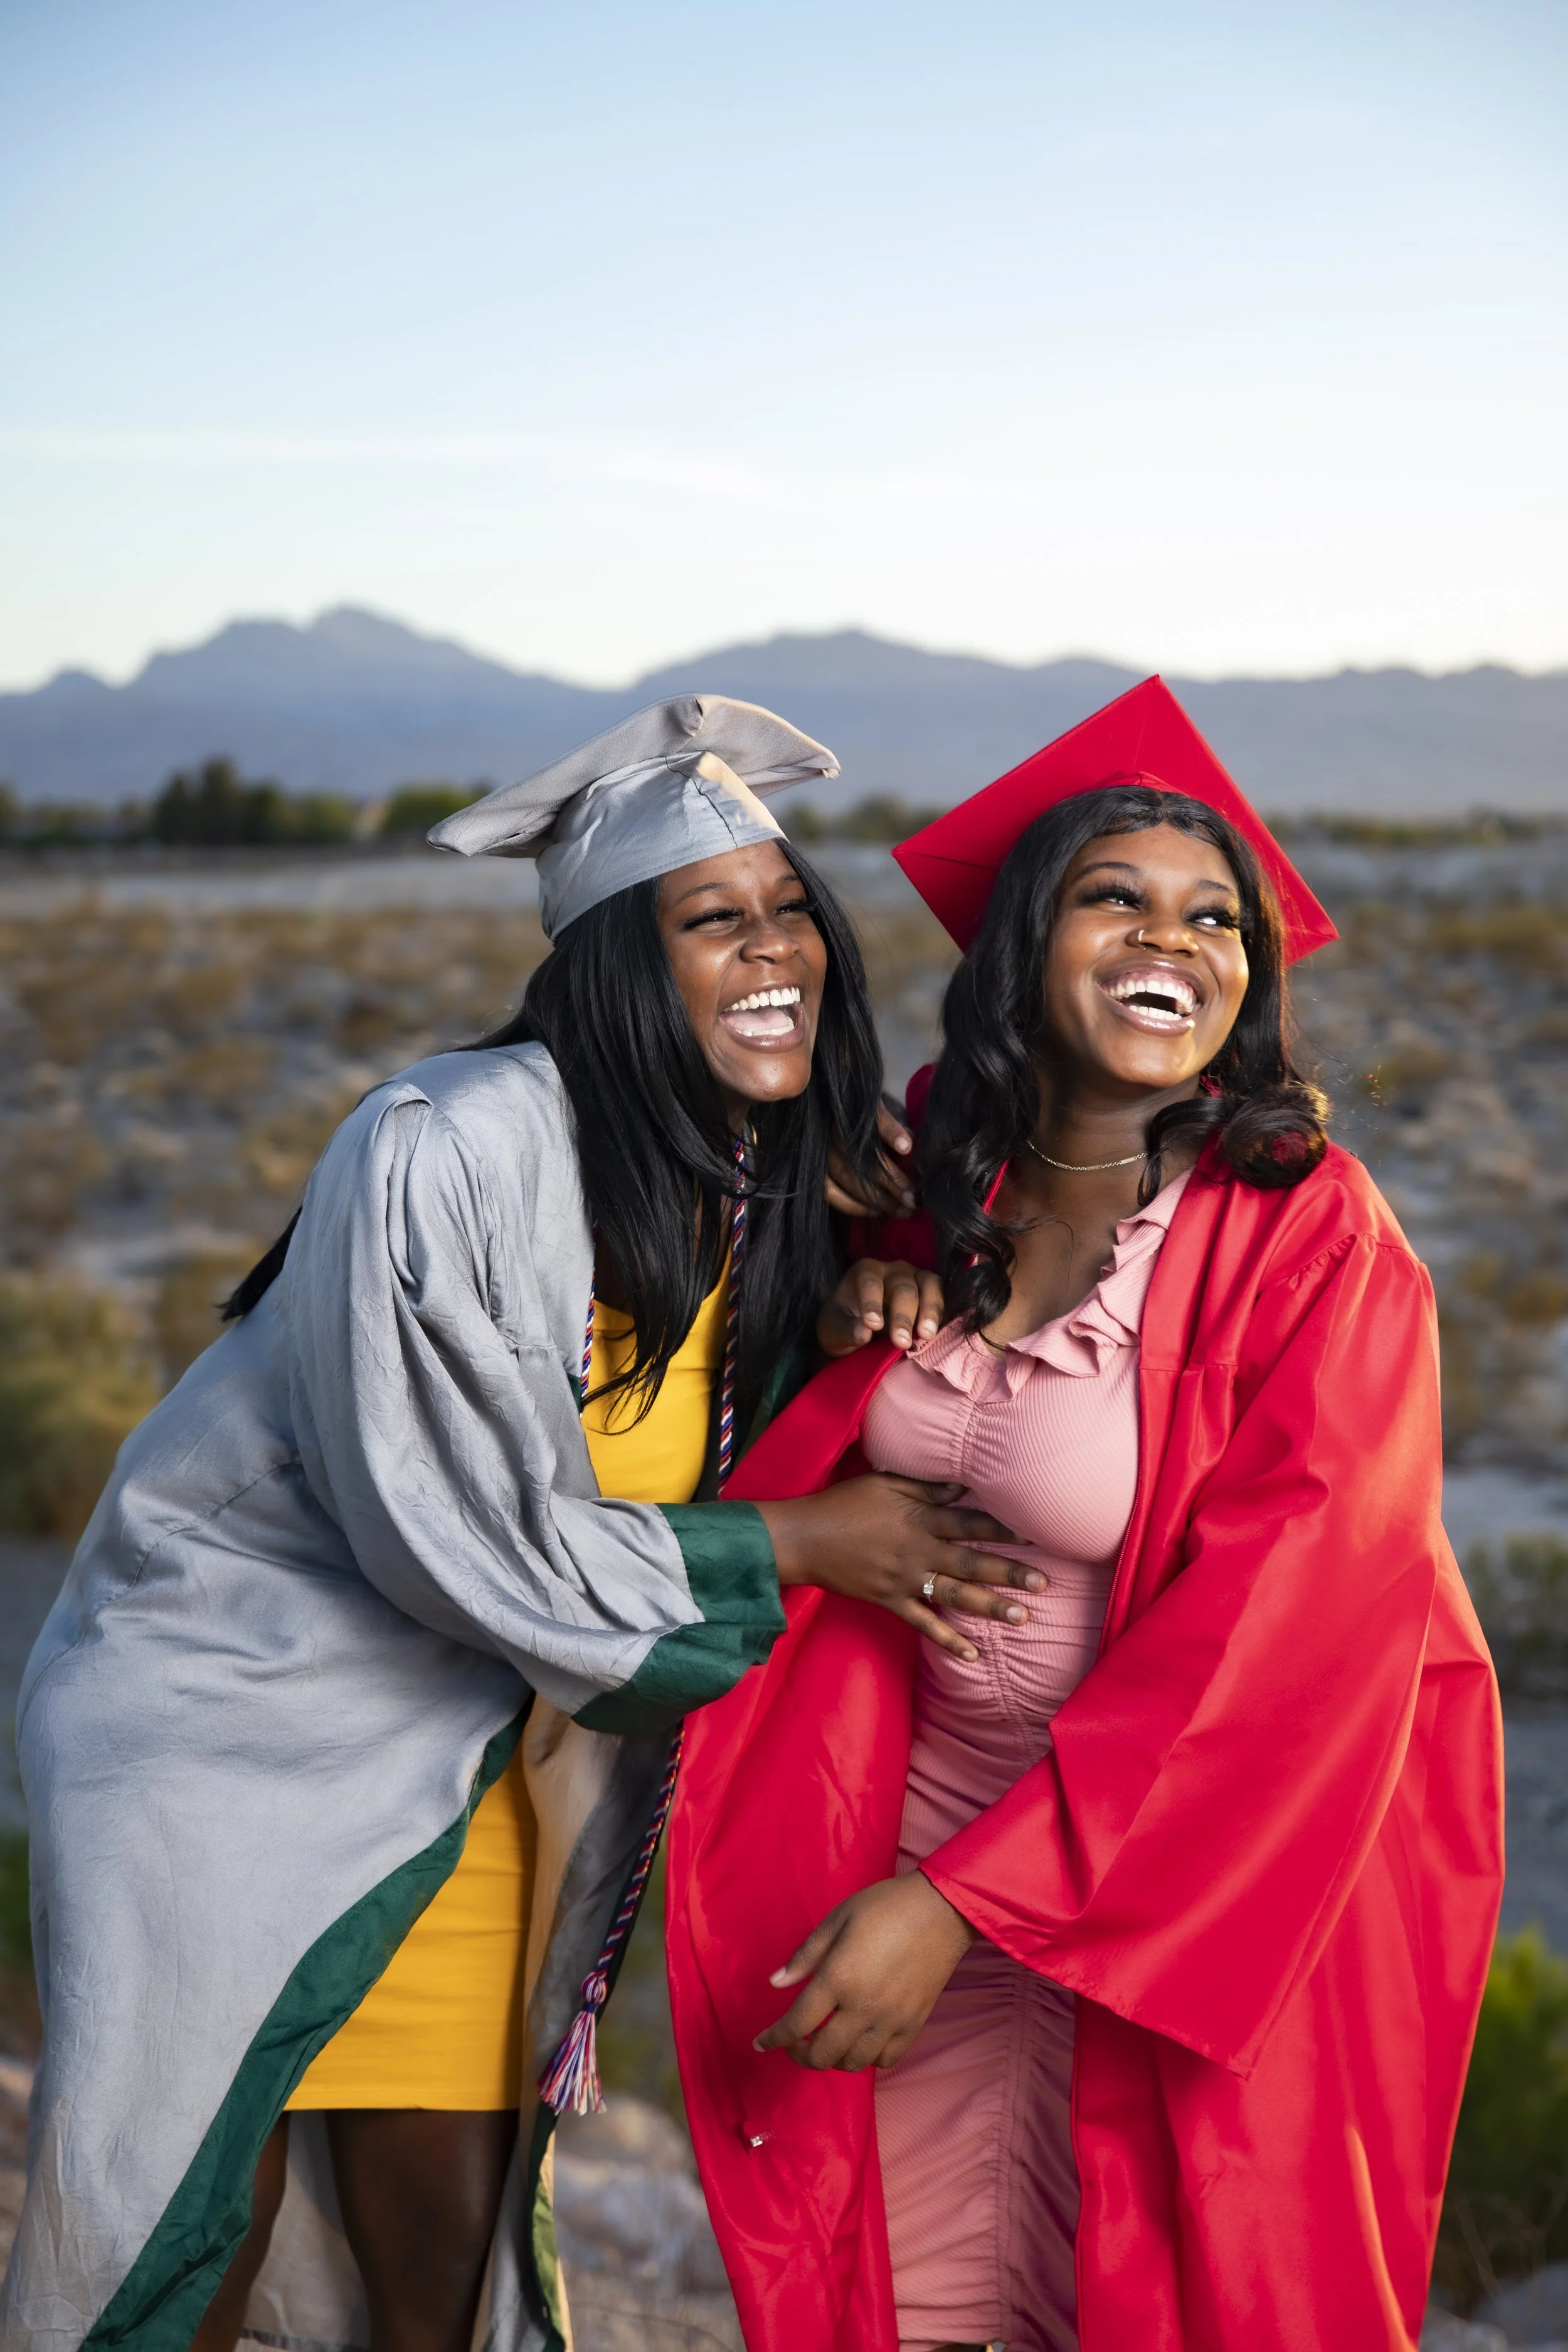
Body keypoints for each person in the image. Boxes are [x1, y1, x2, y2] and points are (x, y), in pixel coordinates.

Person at [4, 695, 1032, 2352]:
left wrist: (869, 1289)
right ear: (619, 966)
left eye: (790, 912)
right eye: (714, 920)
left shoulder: (764, 1178)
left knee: (442, 2271)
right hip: (229, 1736)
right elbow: (453, 1528)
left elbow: (719, 1422)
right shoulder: (450, 1144)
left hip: (463, 1771)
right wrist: (805, 1542)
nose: (773, 951)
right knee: (183, 2230)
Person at [667, 679, 1505, 2352]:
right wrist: (846, 1323)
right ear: (1021, 953)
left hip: (1190, 1881)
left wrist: (965, 1902)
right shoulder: (930, 1181)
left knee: (1167, 2284)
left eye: (1213, 917)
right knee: (895, 2292)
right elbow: (769, 1434)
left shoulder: (1308, 1237)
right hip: (903, 1827)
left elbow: (1280, 1636)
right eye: (1113, 897)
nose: (1170, 939)